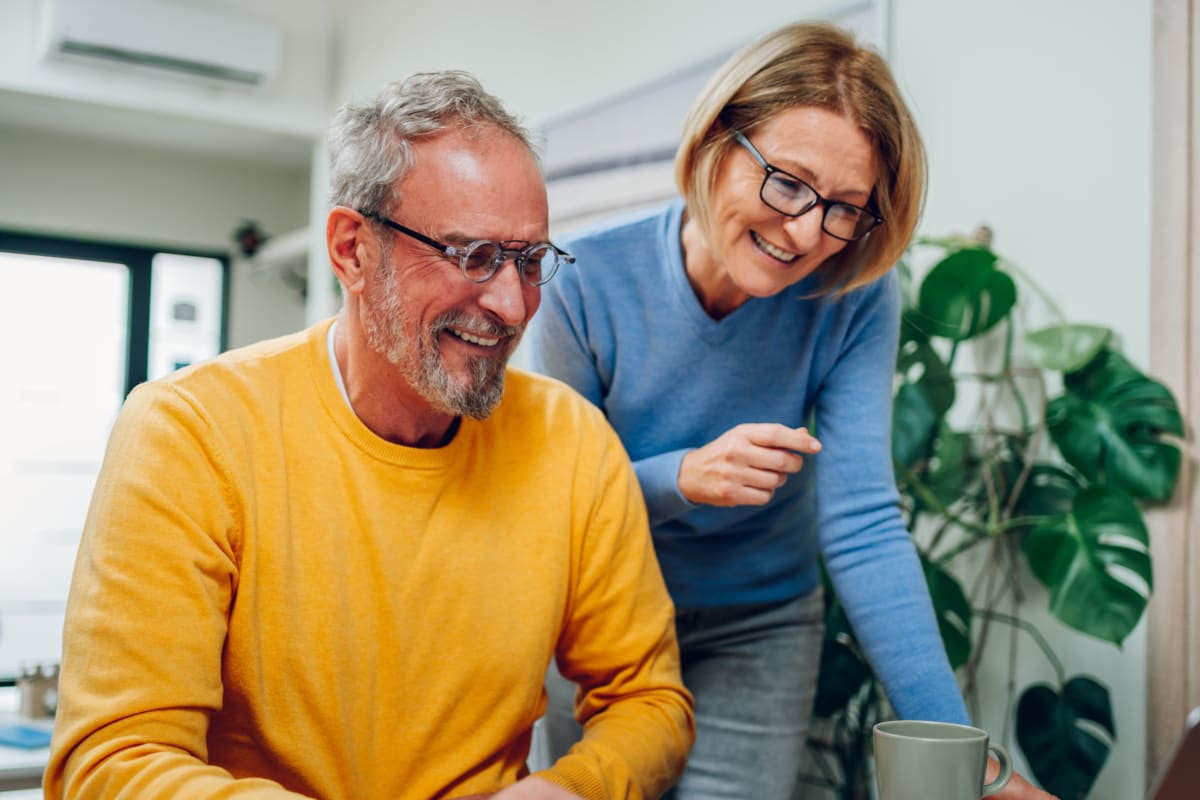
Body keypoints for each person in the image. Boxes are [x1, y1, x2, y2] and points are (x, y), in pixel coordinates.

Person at [44, 70, 694, 800]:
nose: (513, 304)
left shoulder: (574, 441)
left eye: (530, 260)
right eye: (473, 256)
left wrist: (569, 789)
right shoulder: (189, 432)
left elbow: (650, 701)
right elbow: (113, 760)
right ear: (353, 250)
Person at [526, 21, 1057, 800]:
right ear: (715, 141)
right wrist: (683, 477)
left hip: (761, 626)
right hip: (606, 622)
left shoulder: (853, 295)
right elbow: (560, 512)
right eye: (788, 182)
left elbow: (864, 523)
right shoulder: (584, 282)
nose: (808, 231)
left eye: (845, 207)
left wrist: (962, 756)